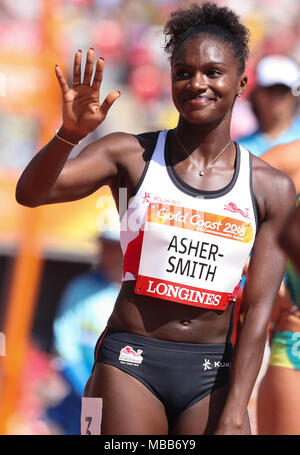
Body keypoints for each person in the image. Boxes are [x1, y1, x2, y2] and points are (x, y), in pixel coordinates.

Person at [15, 3, 295, 435]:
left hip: (211, 372)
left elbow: (258, 310)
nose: (196, 84)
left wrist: (237, 408)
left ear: (241, 82)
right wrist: (68, 135)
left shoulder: (270, 188)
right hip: (130, 362)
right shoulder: (129, 154)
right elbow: (31, 194)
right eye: (183, 72)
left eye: (212, 72)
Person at [45, 229, 122, 434]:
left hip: (123, 397)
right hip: (81, 391)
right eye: (103, 247)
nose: (104, 253)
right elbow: (64, 344)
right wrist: (88, 391)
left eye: (112, 248)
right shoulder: (81, 287)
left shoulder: (139, 294)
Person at [238, 54, 300, 157]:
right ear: (257, 94)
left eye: (283, 90)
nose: (277, 98)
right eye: (271, 89)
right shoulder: (240, 149)